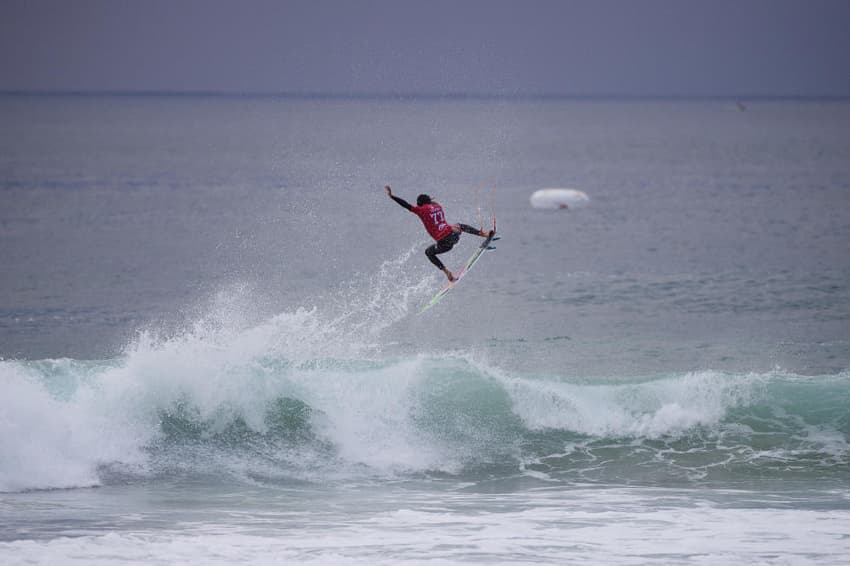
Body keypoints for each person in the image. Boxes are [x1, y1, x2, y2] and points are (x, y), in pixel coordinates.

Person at [385, 184, 492, 282]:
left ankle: (447, 272)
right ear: (429, 201)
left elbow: (406, 205)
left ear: (420, 204)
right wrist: (430, 201)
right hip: (453, 237)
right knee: (460, 225)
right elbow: (432, 204)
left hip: (444, 244)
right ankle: (484, 234)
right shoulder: (437, 207)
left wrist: (392, 196)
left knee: (428, 252)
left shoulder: (421, 210)